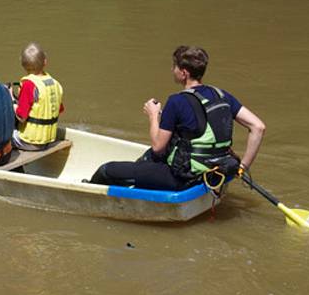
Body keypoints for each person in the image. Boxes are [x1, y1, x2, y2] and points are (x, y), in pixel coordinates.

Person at [90, 45, 266, 191]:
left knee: (107, 170)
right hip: (218, 171)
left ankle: (91, 190)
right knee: (147, 159)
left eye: (174, 67)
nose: (171, 70)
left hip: (186, 177)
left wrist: (153, 116)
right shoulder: (222, 95)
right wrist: (242, 168)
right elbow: (258, 127)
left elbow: (158, 147)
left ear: (183, 73)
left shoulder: (176, 101)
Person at [13, 42, 64, 151]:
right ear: (45, 62)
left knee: (4, 134)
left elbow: (21, 117)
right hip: (49, 140)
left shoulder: (28, 85)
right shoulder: (55, 84)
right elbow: (58, 109)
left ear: (23, 65)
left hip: (29, 141)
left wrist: (13, 102)